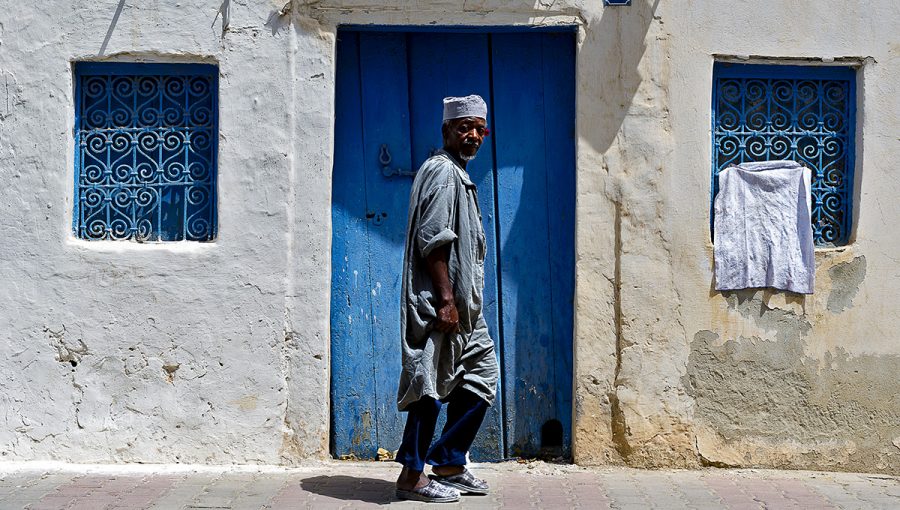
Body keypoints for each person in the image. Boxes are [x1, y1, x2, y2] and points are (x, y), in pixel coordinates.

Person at [394, 95, 499, 503]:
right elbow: (432, 242)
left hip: (466, 309)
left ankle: (451, 461)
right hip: (443, 304)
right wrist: (445, 299)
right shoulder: (441, 173)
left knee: (480, 376)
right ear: (447, 131)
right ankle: (411, 475)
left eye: (479, 129)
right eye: (463, 128)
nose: (472, 135)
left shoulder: (459, 173)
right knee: (429, 383)